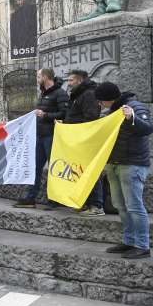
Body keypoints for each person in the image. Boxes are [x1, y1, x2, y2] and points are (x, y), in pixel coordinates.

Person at [95, 82, 153, 259]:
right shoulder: (112, 112)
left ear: (109, 99)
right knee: (121, 206)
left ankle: (142, 245)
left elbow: (148, 128)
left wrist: (132, 117)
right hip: (114, 164)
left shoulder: (135, 106)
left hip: (132, 165)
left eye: (101, 101)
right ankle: (129, 241)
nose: (100, 105)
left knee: (134, 206)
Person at [15, 68, 68, 209]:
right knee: (35, 168)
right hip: (40, 136)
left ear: (45, 77)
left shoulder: (60, 93)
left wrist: (45, 115)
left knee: (54, 169)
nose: (37, 78)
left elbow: (64, 114)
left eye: (38, 76)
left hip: (52, 136)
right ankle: (30, 198)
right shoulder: (43, 93)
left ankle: (55, 200)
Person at [64, 69, 104, 217]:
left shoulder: (89, 94)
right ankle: (86, 203)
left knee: (91, 171)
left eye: (71, 80)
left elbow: (91, 118)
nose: (68, 83)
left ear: (79, 81)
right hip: (77, 139)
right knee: (80, 171)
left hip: (85, 140)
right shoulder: (78, 94)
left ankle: (97, 205)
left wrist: (79, 133)